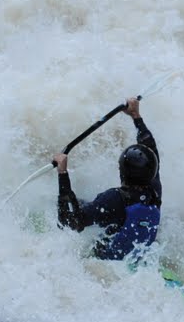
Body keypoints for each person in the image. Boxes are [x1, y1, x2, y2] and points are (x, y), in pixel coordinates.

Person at [53, 96, 160, 261]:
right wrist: (136, 116)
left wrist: (62, 174)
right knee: (86, 204)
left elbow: (71, 223)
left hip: (108, 264)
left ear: (122, 171)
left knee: (75, 207)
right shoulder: (154, 192)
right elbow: (150, 148)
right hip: (138, 258)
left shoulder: (114, 199)